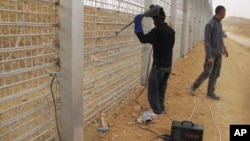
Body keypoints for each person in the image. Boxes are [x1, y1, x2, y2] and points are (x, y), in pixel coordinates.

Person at [133, 5, 175, 115]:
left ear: (157, 19)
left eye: (153, 19)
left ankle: (157, 112)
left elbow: (143, 39)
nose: (153, 21)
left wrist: (138, 24)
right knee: (161, 88)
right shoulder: (171, 31)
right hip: (168, 67)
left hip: (158, 68)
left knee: (153, 89)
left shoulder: (157, 31)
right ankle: (160, 108)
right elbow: (166, 45)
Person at [190, 5, 229, 100]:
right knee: (207, 72)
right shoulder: (209, 24)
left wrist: (224, 48)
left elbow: (220, 38)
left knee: (215, 73)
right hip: (212, 54)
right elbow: (207, 42)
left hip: (219, 53)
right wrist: (209, 56)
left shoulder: (219, 24)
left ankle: (210, 92)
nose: (225, 14)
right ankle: (194, 86)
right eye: (224, 12)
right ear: (220, 13)